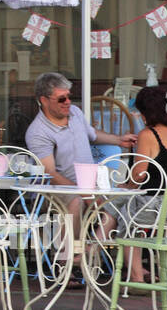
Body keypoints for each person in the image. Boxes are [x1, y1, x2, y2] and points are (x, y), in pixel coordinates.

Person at [24, 72, 136, 278]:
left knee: (124, 199)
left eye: (68, 96)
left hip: (88, 185)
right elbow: (50, 173)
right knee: (75, 201)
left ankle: (96, 254)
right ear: (44, 100)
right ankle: (65, 263)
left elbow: (92, 134)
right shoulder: (38, 131)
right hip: (54, 190)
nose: (67, 102)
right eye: (61, 99)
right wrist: (84, 193)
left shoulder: (74, 113)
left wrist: (119, 140)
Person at [123, 84, 167, 282]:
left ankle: (136, 277)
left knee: (122, 213)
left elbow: (139, 175)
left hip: (156, 207)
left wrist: (124, 186)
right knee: (122, 208)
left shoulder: (148, 135)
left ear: (148, 112)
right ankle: (90, 249)